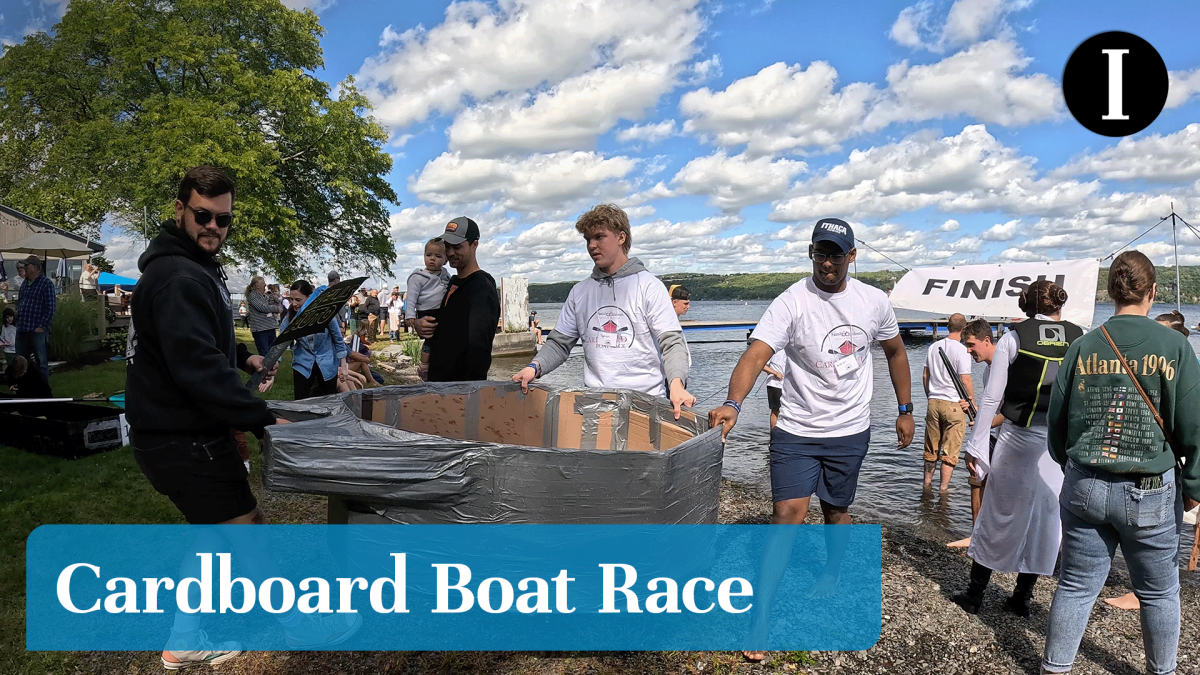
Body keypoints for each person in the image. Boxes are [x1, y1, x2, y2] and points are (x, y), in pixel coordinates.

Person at [126, 167, 359, 666]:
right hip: (183, 437)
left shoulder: (188, 268)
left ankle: (183, 642)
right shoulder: (178, 278)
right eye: (203, 215)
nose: (213, 226)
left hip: (173, 433)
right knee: (246, 527)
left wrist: (243, 358)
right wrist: (262, 419)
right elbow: (195, 371)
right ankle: (299, 626)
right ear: (180, 210)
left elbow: (194, 346)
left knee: (212, 535)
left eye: (223, 219)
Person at [708, 217, 914, 663]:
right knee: (786, 513)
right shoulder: (791, 301)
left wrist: (905, 409)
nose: (827, 261)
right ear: (810, 253)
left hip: (850, 428)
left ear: (851, 257)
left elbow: (896, 352)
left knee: (837, 509)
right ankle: (760, 617)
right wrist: (733, 403)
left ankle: (833, 572)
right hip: (797, 428)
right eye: (820, 252)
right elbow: (756, 353)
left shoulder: (874, 302)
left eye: (836, 254)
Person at [1041, 252, 1200, 675]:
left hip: (1084, 484)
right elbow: (1194, 427)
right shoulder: (1176, 346)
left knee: (1075, 587)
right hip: (1149, 489)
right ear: (1152, 292)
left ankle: (1054, 669)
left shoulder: (1081, 346)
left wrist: (1068, 464)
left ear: (1111, 293)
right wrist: (1195, 487)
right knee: (1160, 593)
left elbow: (1056, 421)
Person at [953, 280, 1083, 617]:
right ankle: (1022, 597)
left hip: (1017, 437)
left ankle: (975, 595)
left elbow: (993, 397)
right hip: (1056, 446)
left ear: (1027, 305)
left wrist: (976, 445)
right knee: (1045, 521)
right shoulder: (1079, 337)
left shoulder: (1014, 337)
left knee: (998, 514)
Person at [513, 205, 695, 417]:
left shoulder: (649, 286)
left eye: (599, 237)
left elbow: (672, 343)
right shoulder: (579, 291)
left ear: (621, 237)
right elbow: (559, 344)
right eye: (588, 239)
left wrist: (676, 384)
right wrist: (533, 368)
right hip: (594, 407)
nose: (592, 245)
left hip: (646, 407)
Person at [1105, 308, 1195, 613]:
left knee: (1164, 529)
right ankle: (1161, 583)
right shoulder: (1182, 361)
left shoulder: (1183, 364)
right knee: (1167, 527)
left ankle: (1145, 589)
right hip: (1175, 454)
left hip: (1173, 455)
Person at [414, 217, 500, 382]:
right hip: (439, 384)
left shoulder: (482, 287)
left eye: (457, 247)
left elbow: (479, 349)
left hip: (459, 390)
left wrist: (469, 393)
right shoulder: (451, 282)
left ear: (474, 245)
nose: (450, 252)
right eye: (447, 246)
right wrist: (418, 324)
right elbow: (443, 325)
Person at [946, 318, 1006, 549]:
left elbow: (1012, 410)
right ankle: (978, 535)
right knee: (976, 475)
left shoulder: (1005, 366)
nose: (968, 351)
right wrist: (976, 410)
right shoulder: (987, 371)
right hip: (994, 432)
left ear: (987, 340)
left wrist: (984, 424)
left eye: (971, 345)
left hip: (1008, 436)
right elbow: (996, 408)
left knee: (990, 483)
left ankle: (988, 536)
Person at [922, 313, 974, 492]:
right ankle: (943, 490)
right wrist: (972, 404)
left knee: (931, 449)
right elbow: (965, 380)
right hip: (954, 403)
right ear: (964, 328)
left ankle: (926, 485)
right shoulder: (963, 350)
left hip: (934, 401)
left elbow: (925, 376)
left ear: (947, 326)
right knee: (950, 452)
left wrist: (930, 395)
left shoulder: (933, 347)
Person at [280, 279, 350, 400]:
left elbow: (338, 340)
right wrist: (272, 366)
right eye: (292, 299)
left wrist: (343, 365)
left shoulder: (325, 314)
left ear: (309, 298)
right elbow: (280, 343)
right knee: (301, 403)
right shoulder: (290, 317)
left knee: (328, 401)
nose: (294, 303)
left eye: (298, 300)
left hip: (326, 363)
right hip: (303, 364)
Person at [406, 238, 451, 381]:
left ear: (445, 260)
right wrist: (410, 315)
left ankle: (433, 364)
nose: (432, 259)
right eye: (429, 255)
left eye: (438, 256)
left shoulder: (445, 274)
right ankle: (424, 365)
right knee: (430, 340)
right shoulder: (418, 277)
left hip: (441, 310)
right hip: (427, 310)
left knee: (440, 339)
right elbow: (411, 297)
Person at [14, 255, 55, 382]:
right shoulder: (25, 283)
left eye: (27, 266)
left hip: (37, 329)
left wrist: (42, 326)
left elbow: (51, 307)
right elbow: (20, 302)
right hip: (22, 328)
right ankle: (25, 388)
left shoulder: (46, 283)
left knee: (41, 361)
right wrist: (17, 319)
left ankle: (44, 392)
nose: (24, 268)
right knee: (21, 361)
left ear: (35, 268)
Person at [244, 276, 283, 356]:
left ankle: (272, 368)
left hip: (270, 326)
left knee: (272, 352)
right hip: (260, 329)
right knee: (264, 353)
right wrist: (276, 308)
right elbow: (263, 308)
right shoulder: (253, 296)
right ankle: (265, 368)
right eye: (262, 283)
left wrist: (276, 298)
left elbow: (278, 305)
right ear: (257, 285)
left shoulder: (267, 296)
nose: (265, 284)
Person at [763, 350, 786, 430]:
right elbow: (762, 365)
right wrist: (775, 373)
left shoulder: (794, 350)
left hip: (789, 385)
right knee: (776, 410)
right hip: (775, 384)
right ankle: (773, 435)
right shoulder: (774, 350)